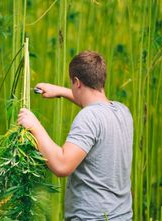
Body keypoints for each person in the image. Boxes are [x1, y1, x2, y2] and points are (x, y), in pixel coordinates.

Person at [17, 51, 133, 221]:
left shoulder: (88, 118)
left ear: (77, 82)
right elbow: (93, 103)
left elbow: (62, 165)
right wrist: (61, 91)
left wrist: (34, 126)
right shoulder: (122, 112)